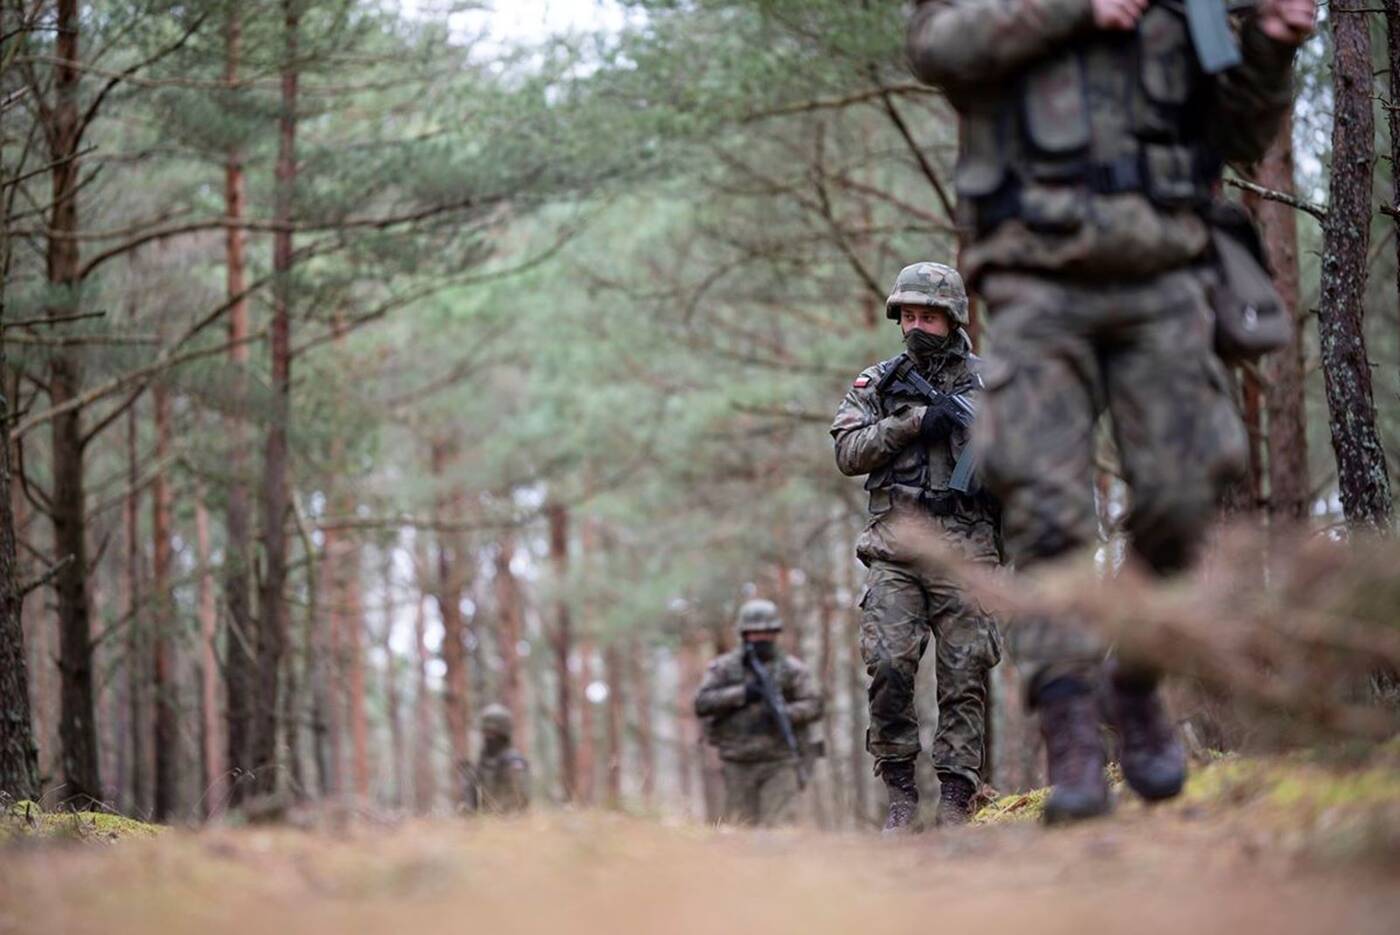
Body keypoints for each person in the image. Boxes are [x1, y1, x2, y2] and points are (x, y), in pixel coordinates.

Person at [905, 0, 1317, 822]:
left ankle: (1132, 675)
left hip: (1165, 273)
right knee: (1048, 510)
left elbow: (1234, 130)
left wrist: (1271, 47)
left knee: (1185, 486)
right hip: (1035, 275)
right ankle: (1070, 732)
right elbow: (938, 48)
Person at [831, 262, 1003, 832]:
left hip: (968, 549)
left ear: (952, 318)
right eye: (907, 315)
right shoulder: (877, 384)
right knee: (887, 662)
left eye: (927, 315)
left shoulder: (993, 383)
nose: (915, 326)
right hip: (896, 546)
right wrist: (909, 425)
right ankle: (901, 793)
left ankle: (958, 796)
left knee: (965, 673)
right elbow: (848, 452)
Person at [694, 599, 823, 827]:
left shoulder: (792, 669)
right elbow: (702, 703)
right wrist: (742, 693)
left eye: (767, 632)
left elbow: (813, 705)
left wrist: (785, 713)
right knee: (740, 828)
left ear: (776, 633)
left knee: (779, 829)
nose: (761, 638)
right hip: (737, 760)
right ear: (744, 635)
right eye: (755, 633)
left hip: (780, 760)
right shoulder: (724, 668)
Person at [463, 703, 530, 814]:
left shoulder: (513, 762)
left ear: (503, 734)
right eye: (486, 732)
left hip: (509, 824)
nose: (488, 737)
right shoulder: (481, 763)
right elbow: (472, 804)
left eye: (492, 733)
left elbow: (519, 800)